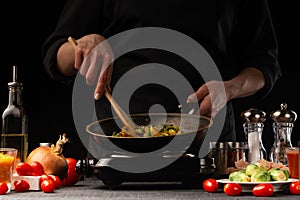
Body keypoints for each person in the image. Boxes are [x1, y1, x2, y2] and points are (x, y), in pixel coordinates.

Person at [42, 0, 281, 157]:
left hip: (207, 148)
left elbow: (265, 63)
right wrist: (84, 46)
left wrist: (229, 89)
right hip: (117, 147)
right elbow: (56, 56)